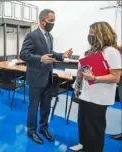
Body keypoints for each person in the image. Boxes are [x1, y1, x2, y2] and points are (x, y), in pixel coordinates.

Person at [20, 9, 73, 144]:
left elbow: (49, 52)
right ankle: (31, 131)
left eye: (54, 21)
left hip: (48, 77)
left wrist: (62, 55)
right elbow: (24, 54)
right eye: (51, 21)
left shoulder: (50, 36)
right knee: (33, 107)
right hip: (36, 78)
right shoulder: (32, 36)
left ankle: (44, 128)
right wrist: (40, 59)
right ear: (42, 21)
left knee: (46, 106)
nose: (53, 23)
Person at [70, 22, 122, 152]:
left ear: (101, 34)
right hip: (86, 94)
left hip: (99, 98)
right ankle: (83, 144)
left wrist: (95, 78)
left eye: (92, 32)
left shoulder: (112, 52)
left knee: (95, 128)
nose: (90, 35)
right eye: (89, 33)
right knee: (83, 122)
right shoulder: (93, 51)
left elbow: (115, 77)